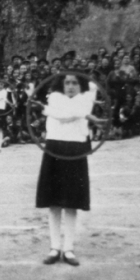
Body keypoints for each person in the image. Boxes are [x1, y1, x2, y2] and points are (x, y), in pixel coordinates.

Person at [34, 74, 106, 267]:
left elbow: (78, 107)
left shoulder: (85, 99)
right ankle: (54, 247)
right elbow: (63, 117)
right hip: (55, 148)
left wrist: (49, 110)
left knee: (72, 201)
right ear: (62, 85)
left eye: (75, 83)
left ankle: (68, 248)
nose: (71, 86)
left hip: (75, 150)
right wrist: (81, 113)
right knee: (54, 202)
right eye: (67, 82)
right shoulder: (55, 98)